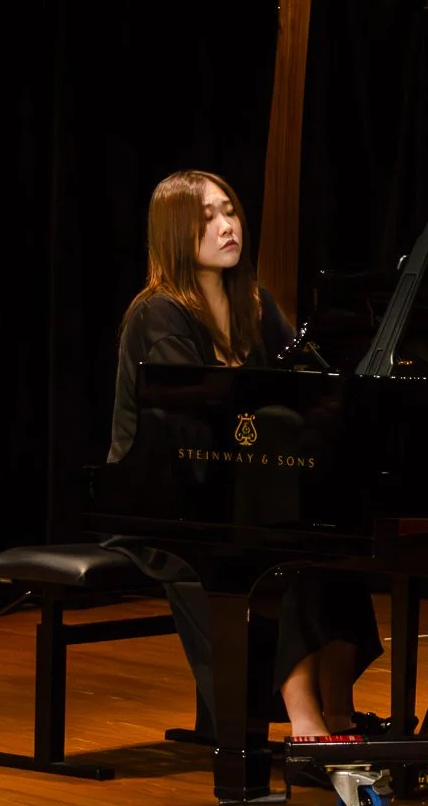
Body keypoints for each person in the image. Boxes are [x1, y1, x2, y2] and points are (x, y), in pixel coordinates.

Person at [109, 169, 384, 744]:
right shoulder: (156, 313)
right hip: (162, 501)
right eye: (207, 217)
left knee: (331, 546)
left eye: (229, 211)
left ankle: (336, 710)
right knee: (283, 549)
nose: (227, 225)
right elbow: (187, 422)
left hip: (240, 493)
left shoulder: (254, 302)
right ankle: (299, 714)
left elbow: (309, 379)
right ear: (174, 234)